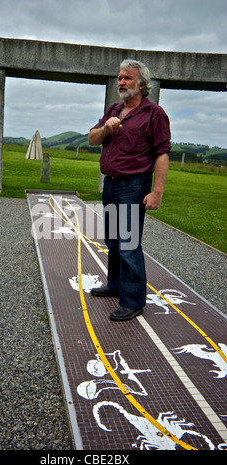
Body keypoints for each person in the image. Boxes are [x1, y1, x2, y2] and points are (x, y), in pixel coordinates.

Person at [89, 59, 171, 322]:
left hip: (133, 187)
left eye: (127, 78)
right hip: (110, 185)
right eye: (120, 78)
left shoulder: (154, 114)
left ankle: (133, 301)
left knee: (129, 244)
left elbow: (161, 154)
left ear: (142, 84)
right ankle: (115, 285)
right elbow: (92, 139)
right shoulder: (113, 109)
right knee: (113, 240)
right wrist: (106, 127)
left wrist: (156, 192)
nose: (121, 82)